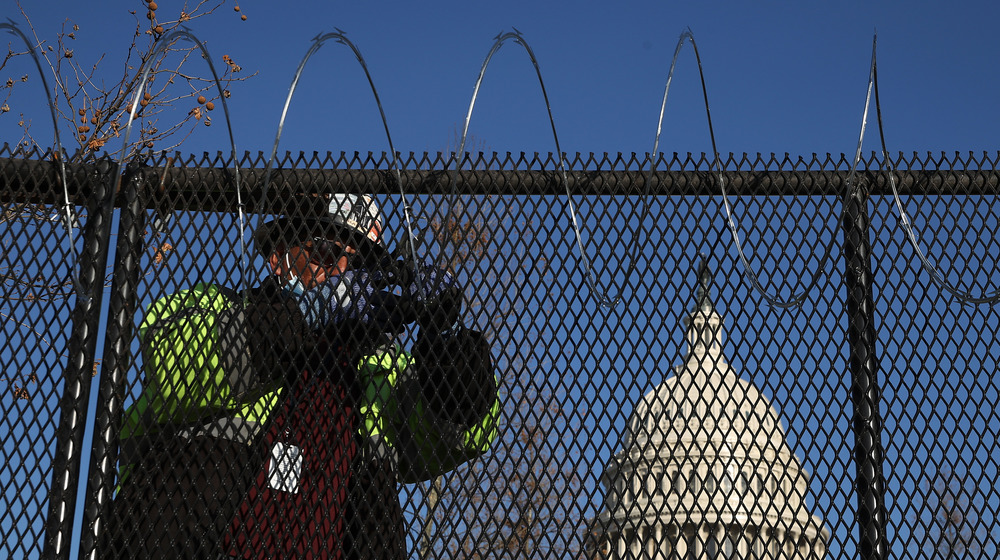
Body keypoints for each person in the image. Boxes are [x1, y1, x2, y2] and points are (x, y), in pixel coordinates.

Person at [105, 194, 500, 559]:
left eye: (360, 263)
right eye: (327, 252)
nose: (345, 273)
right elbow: (173, 365)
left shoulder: (378, 368)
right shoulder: (217, 306)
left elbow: (452, 437)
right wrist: (306, 313)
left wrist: (449, 366)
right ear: (278, 257)